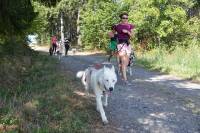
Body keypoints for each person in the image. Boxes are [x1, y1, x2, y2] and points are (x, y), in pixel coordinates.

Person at [114, 12, 134, 84]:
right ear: (121, 18)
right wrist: (113, 38)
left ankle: (121, 67)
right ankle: (125, 79)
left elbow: (133, 36)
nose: (125, 19)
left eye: (126, 18)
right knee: (123, 61)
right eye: (124, 18)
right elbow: (112, 34)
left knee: (127, 62)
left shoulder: (130, 26)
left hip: (128, 44)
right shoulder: (117, 26)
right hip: (120, 44)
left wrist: (127, 32)